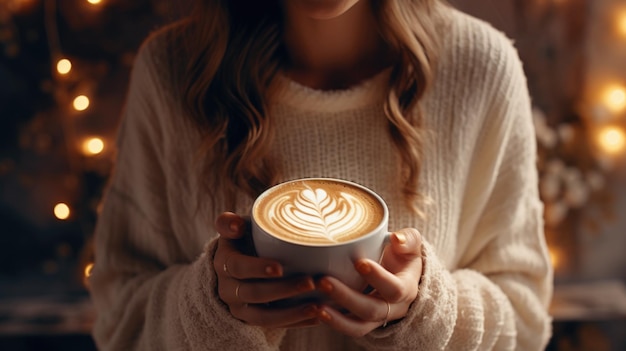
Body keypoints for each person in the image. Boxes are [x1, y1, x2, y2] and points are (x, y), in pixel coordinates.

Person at [89, 0, 553, 350]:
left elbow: (526, 320)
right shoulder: (173, 70)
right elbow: (117, 319)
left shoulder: (481, 68)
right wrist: (206, 307)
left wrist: (427, 311)